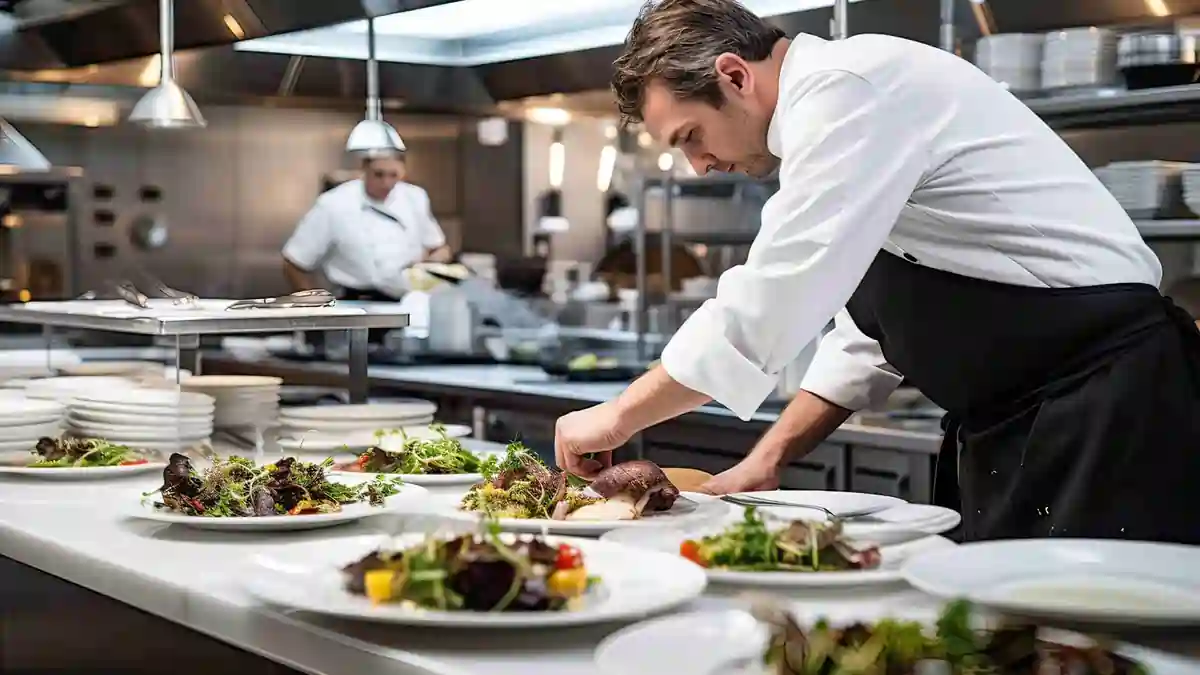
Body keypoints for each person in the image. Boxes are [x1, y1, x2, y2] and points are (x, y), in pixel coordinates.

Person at [554, 0, 1200, 544]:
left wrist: (619, 413)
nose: (699, 164)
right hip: (1028, 421)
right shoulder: (845, 113)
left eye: (691, 136)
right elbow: (866, 337)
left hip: (1107, 407)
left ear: (733, 76)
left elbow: (771, 301)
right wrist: (768, 457)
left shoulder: (849, 87)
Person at [282, 153, 452, 301]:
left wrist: (433, 263)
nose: (386, 183)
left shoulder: (415, 197)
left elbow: (440, 248)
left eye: (394, 175)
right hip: (354, 305)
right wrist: (317, 308)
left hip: (408, 303)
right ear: (364, 169)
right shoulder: (333, 204)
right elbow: (294, 263)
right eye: (379, 175)